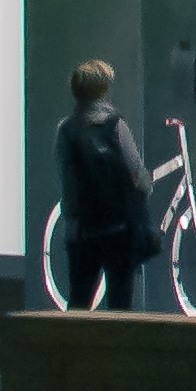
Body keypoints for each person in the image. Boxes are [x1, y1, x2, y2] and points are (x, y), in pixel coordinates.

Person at [57, 59, 152, 311]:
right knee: (120, 303)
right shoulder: (115, 125)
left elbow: (66, 178)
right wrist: (145, 184)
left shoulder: (66, 129)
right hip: (118, 229)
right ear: (103, 90)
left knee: (79, 301)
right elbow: (137, 175)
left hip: (80, 230)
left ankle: (75, 349)